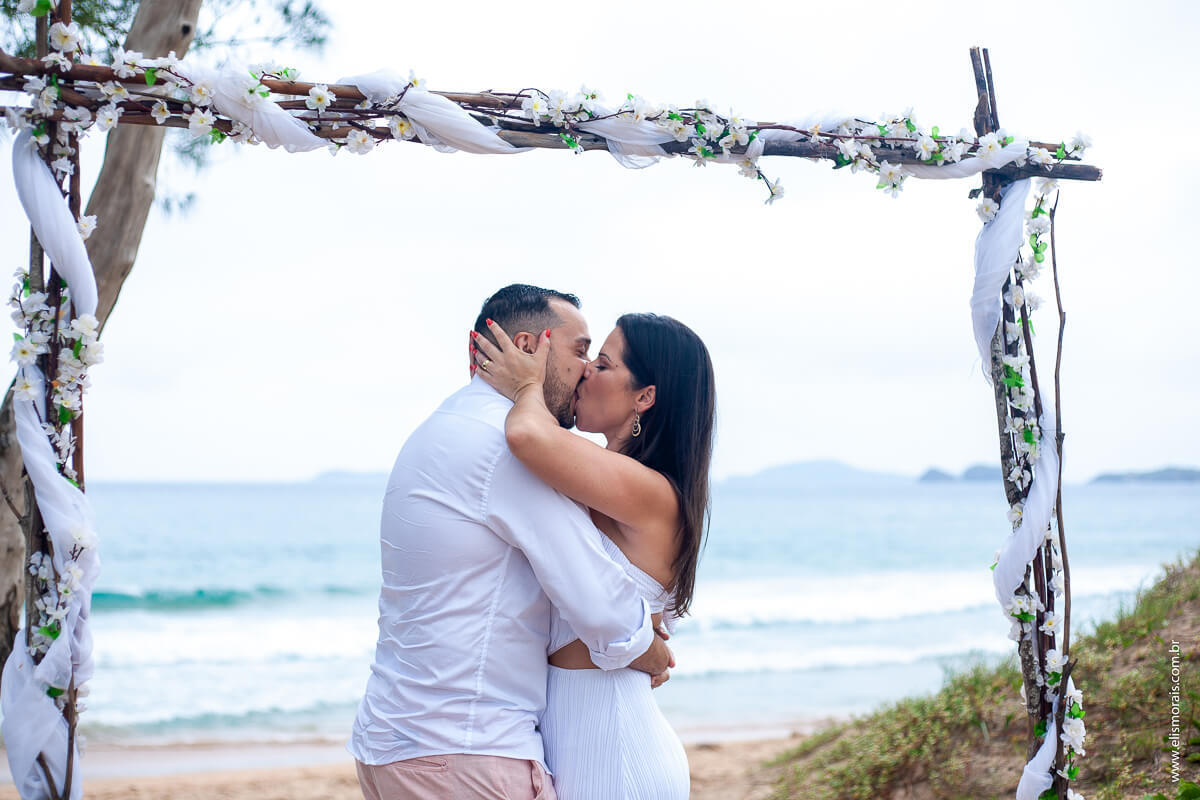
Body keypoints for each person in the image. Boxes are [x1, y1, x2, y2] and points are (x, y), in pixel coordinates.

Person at [348, 284, 673, 800]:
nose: (586, 369)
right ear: (527, 348)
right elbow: (596, 598)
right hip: (465, 755)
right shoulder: (504, 447)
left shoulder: (443, 425)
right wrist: (649, 649)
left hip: (399, 742)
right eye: (580, 350)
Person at [469, 309, 715, 800]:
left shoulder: (651, 492)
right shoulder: (601, 485)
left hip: (617, 754)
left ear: (644, 396)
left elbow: (526, 436)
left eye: (603, 365)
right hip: (583, 742)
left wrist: (526, 387)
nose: (585, 372)